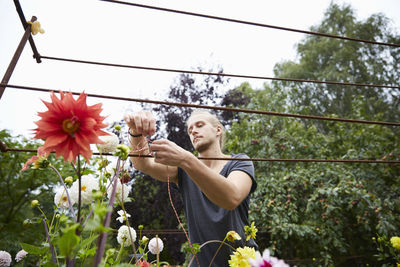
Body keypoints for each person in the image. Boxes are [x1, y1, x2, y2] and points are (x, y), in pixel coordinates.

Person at [124, 109, 257, 267]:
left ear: (218, 130)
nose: (193, 131)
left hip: (243, 263)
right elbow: (143, 164)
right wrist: (136, 131)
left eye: (199, 125)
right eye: (190, 130)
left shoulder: (240, 162)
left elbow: (231, 197)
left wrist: (186, 159)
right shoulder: (184, 170)